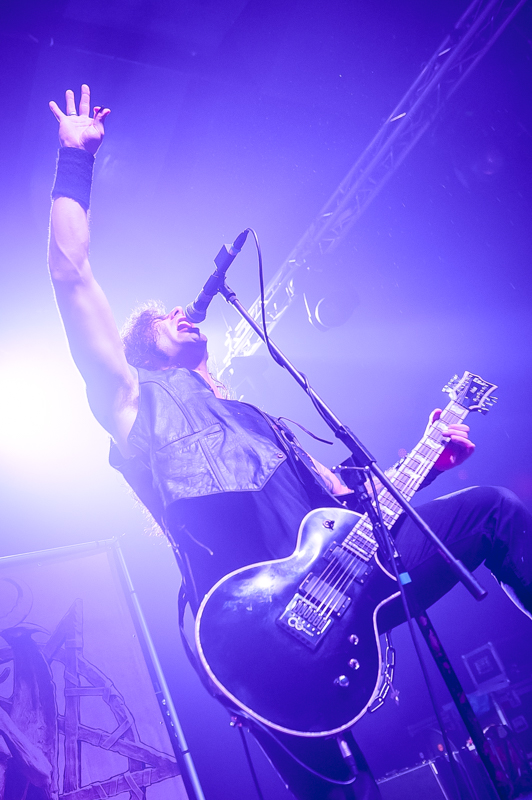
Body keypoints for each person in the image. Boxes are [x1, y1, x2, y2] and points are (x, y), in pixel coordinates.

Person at [48, 85, 532, 800]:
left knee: (492, 509)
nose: (180, 310)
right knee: (341, 789)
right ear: (139, 351)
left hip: (345, 578)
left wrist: (425, 463)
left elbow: (351, 508)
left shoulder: (263, 420)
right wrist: (75, 160)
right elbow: (71, 275)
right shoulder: (131, 401)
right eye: (160, 318)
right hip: (256, 626)